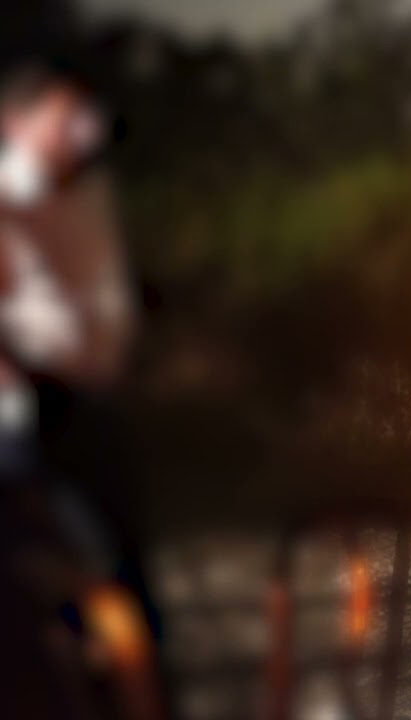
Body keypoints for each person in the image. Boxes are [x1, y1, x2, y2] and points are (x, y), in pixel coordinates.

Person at [0, 64, 164, 720]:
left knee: (125, 573)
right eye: (62, 118)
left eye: (83, 116)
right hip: (35, 415)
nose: (81, 131)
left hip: (95, 401)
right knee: (71, 582)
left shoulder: (88, 189)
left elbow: (106, 302)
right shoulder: (11, 196)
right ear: (15, 122)